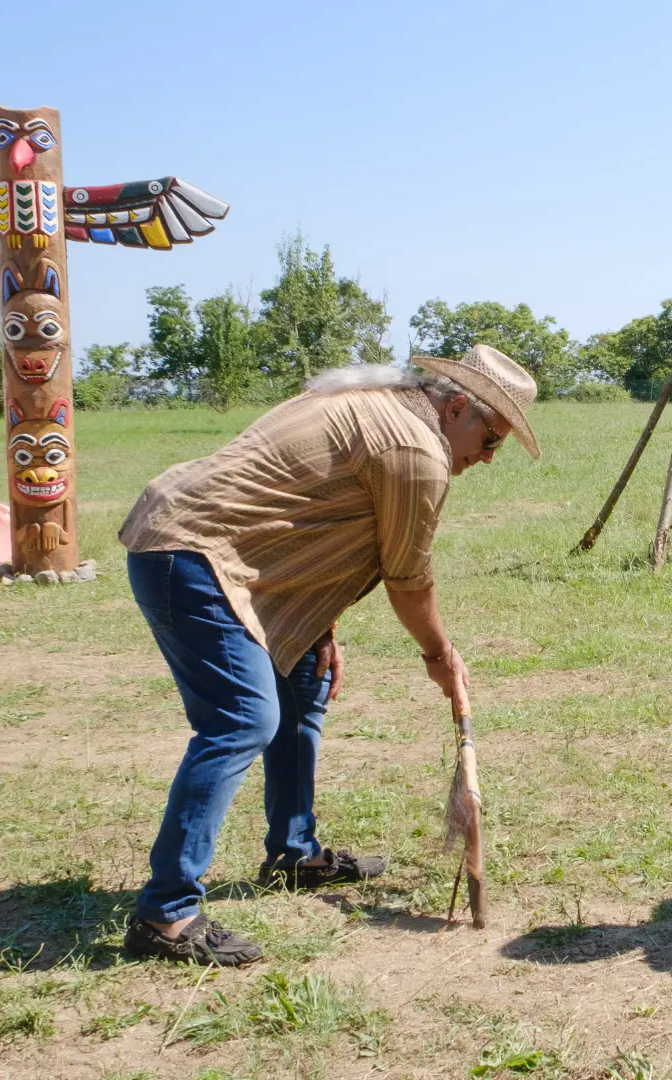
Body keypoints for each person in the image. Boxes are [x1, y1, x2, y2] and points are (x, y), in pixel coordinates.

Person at [115, 344, 540, 965]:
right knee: (242, 721)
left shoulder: (371, 405)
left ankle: (294, 854)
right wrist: (439, 655)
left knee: (302, 688)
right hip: (193, 553)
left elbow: (310, 509)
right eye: (492, 437)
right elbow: (409, 580)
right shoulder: (417, 453)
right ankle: (166, 914)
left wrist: (319, 622)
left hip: (212, 553)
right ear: (456, 408)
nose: (490, 457)